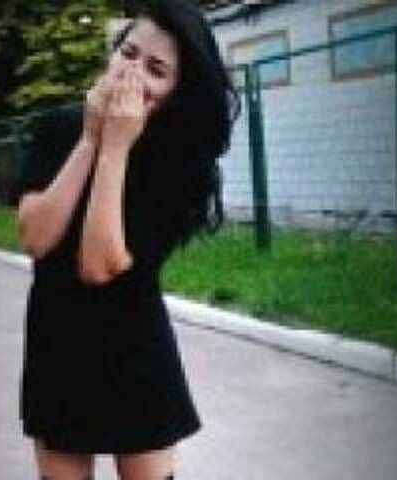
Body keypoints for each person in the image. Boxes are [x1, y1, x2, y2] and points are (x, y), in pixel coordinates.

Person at [13, 0, 239, 478]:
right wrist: (90, 140)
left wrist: (115, 147)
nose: (132, 73)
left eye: (156, 69)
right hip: (58, 345)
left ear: (177, 91)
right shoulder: (57, 127)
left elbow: (98, 265)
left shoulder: (182, 164)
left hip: (135, 351)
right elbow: (36, 237)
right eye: (129, 53)